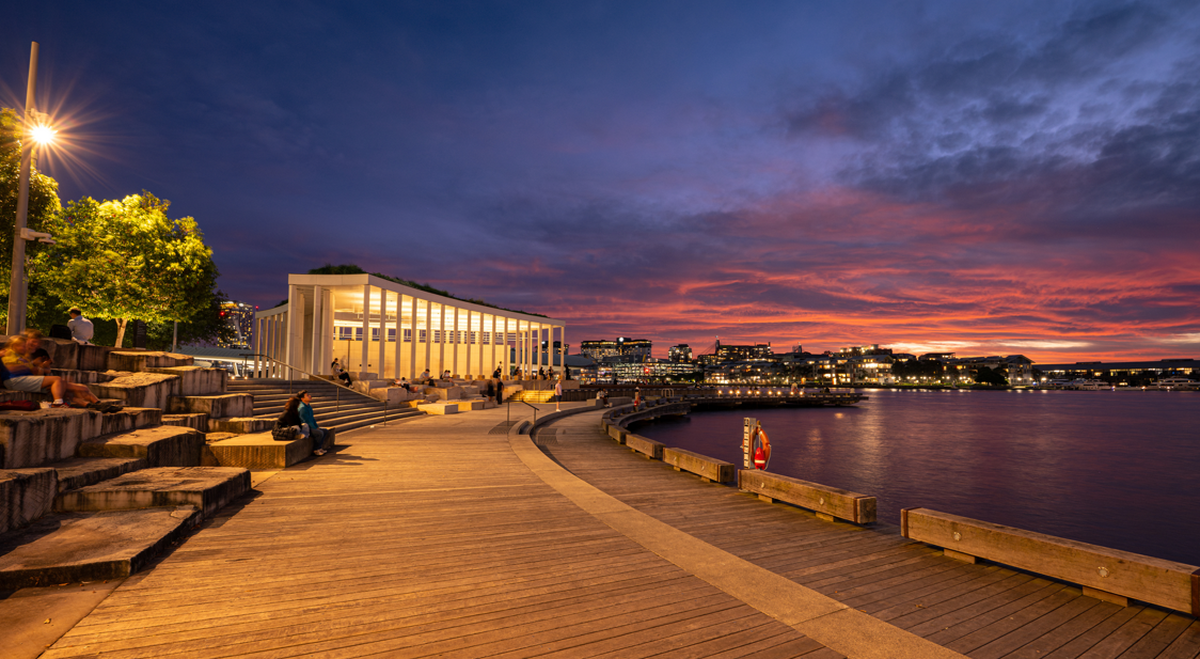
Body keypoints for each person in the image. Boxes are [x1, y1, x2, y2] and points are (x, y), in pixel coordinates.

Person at [2, 335, 69, 407]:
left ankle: (62, 402)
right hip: (14, 380)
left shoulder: (22, 357)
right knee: (57, 379)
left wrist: (41, 365)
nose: (25, 349)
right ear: (15, 345)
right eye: (23, 346)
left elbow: (35, 372)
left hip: (24, 379)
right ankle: (58, 403)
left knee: (62, 383)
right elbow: (10, 368)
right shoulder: (9, 353)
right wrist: (29, 365)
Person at [29, 346, 103, 408]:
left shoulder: (42, 365)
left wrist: (44, 365)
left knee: (75, 393)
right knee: (83, 388)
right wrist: (41, 367)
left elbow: (48, 370)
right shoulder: (33, 367)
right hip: (47, 386)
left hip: (55, 386)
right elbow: (39, 379)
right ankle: (95, 404)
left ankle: (95, 403)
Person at [297, 390, 328, 456]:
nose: (309, 396)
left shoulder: (308, 406)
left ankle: (319, 448)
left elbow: (312, 418)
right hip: (304, 428)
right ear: (302, 399)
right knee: (319, 433)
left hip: (310, 426)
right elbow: (306, 421)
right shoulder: (302, 408)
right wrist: (315, 428)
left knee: (325, 431)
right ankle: (316, 449)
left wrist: (316, 426)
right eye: (307, 395)